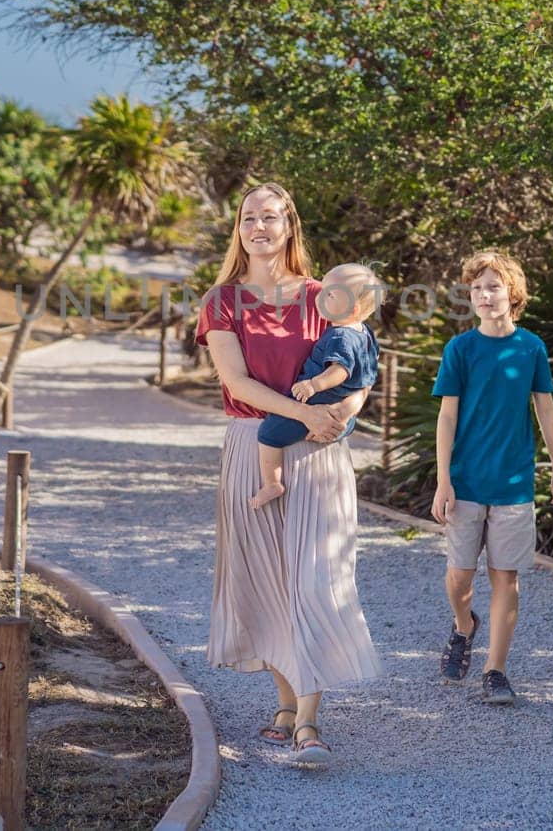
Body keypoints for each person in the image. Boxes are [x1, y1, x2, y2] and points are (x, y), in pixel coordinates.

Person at [196, 182, 382, 767]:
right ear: (239, 228)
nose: (258, 226)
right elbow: (237, 383)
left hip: (320, 449)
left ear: (289, 225)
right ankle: (284, 705)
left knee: (315, 580)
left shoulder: (323, 294)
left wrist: (340, 418)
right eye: (248, 216)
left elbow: (361, 363)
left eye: (270, 216)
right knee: (268, 584)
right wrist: (304, 412)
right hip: (253, 446)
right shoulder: (222, 300)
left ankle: (308, 722)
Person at [430, 249, 553, 704]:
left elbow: (545, 408)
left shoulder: (531, 347)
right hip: (465, 480)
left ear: (513, 293)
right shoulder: (461, 349)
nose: (484, 296)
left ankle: (495, 670)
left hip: (513, 483)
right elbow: (447, 416)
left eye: (493, 287)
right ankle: (463, 626)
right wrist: (443, 480)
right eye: (476, 289)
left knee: (505, 577)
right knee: (459, 577)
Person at [249, 262, 382, 510]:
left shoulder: (340, 336)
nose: (321, 296)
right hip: (344, 414)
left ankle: (271, 483)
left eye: (330, 294)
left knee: (268, 434)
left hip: (318, 404)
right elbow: (369, 369)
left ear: (351, 308)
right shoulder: (365, 332)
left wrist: (313, 385)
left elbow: (339, 370)